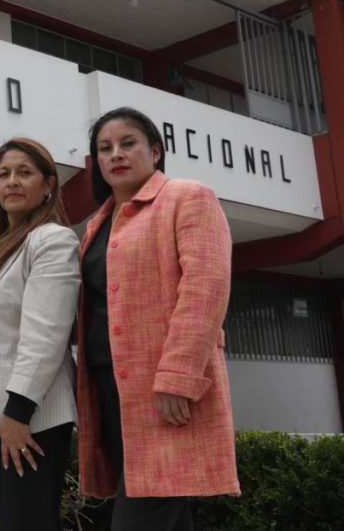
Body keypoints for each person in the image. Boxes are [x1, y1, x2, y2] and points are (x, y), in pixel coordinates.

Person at [77, 107, 239, 530]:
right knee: (166, 510)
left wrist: (178, 377)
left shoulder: (188, 196)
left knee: (143, 511)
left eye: (128, 143)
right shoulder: (97, 224)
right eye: (105, 148)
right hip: (108, 386)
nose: (116, 154)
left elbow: (206, 287)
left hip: (161, 388)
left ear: (156, 151)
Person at [0, 138, 79, 530]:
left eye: (24, 172)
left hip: (29, 416)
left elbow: (46, 333)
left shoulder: (52, 240)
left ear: (48, 184)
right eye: (4, 174)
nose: (12, 182)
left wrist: (18, 412)